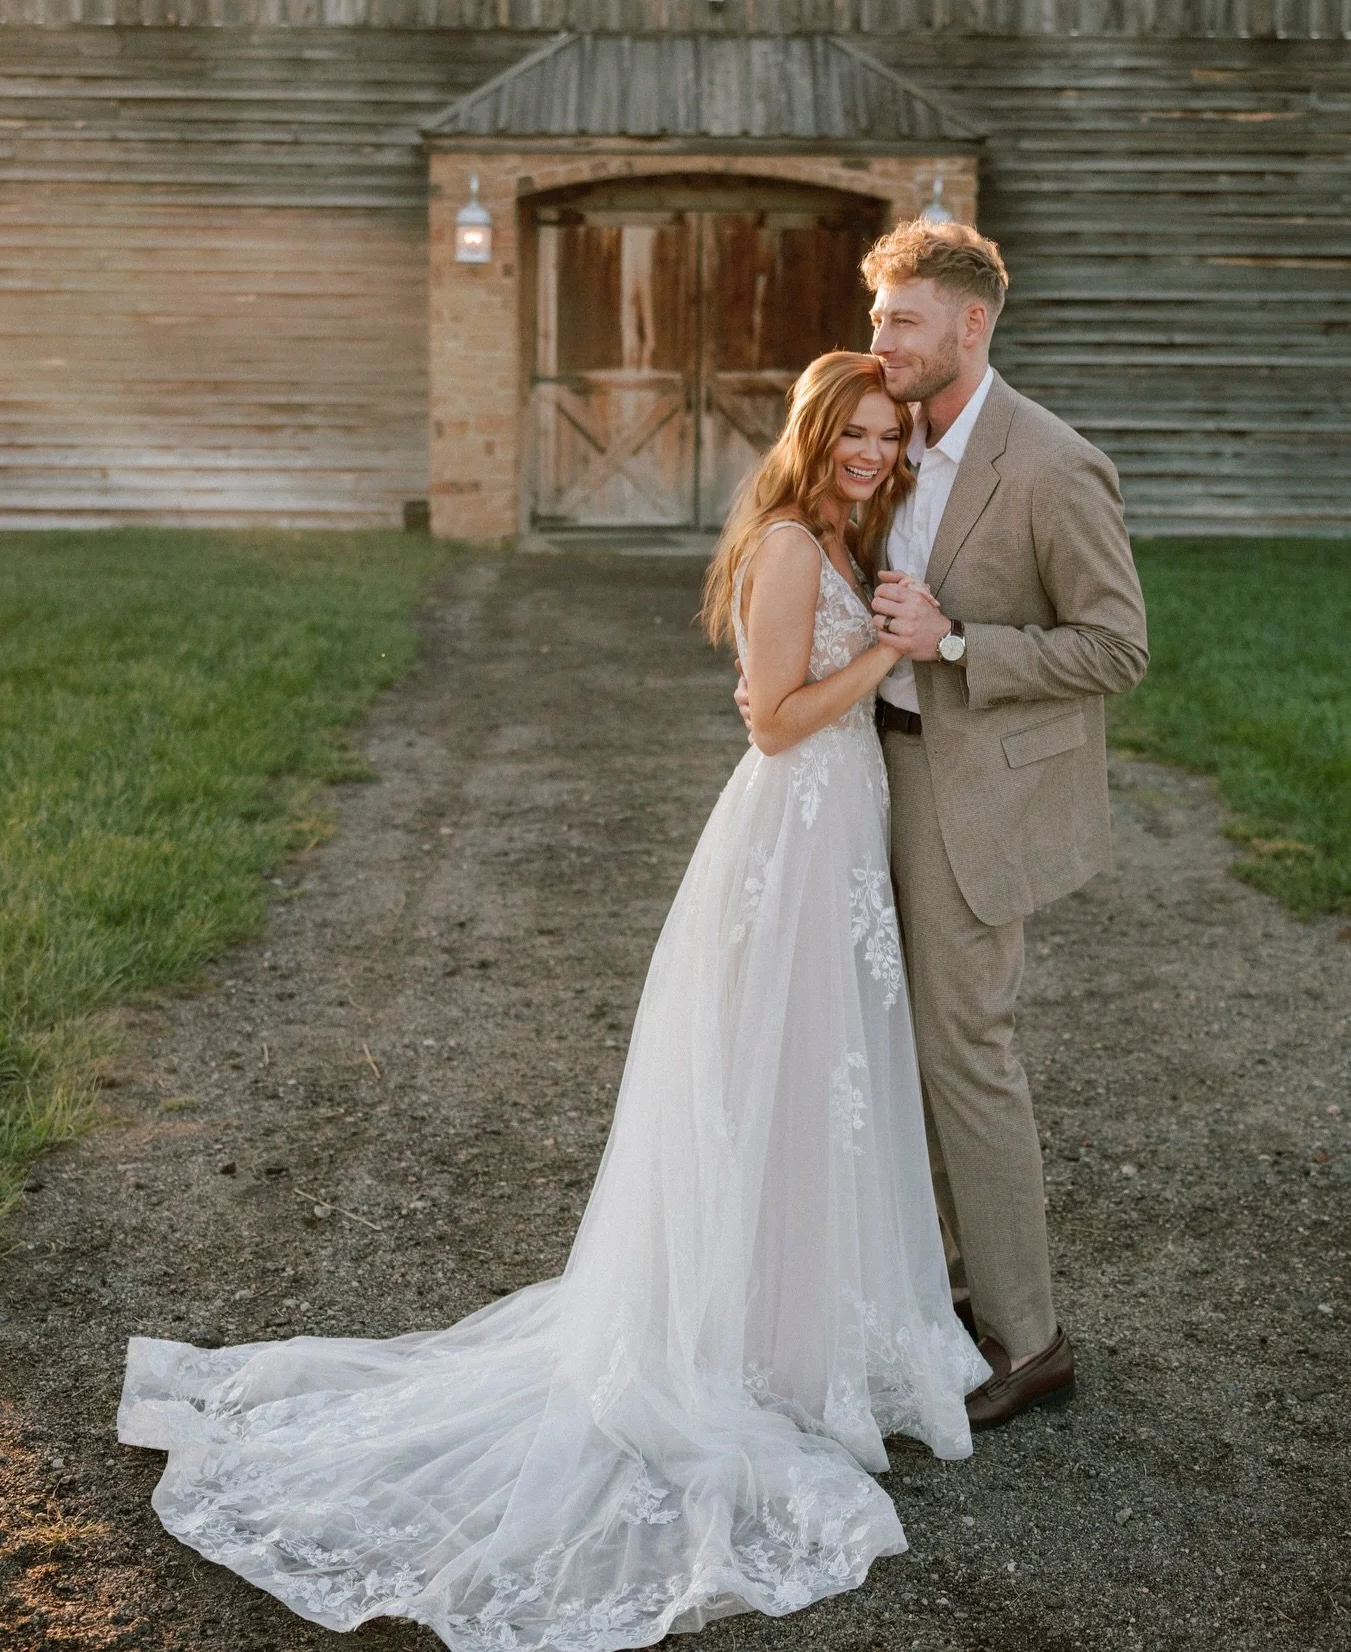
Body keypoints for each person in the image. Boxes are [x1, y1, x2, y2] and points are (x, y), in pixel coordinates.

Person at [118, 351, 987, 1652]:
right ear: (814, 435)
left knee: (824, 1084)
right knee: (776, 1078)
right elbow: (770, 718)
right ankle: (748, 1342)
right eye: (851, 432)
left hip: (837, 846)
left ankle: (802, 1328)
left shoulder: (841, 538)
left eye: (884, 434)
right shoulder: (793, 549)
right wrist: (892, 661)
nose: (871, 450)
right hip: (789, 843)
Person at [861, 219, 1148, 1425]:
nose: (879, 343)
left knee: (966, 1053)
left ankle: (1029, 1341)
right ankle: (954, 1293)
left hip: (971, 788)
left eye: (902, 321)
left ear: (970, 327)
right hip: (865, 771)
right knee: (890, 1046)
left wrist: (962, 643)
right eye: (876, 319)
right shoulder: (887, 436)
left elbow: (1117, 647)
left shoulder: (1051, 464)